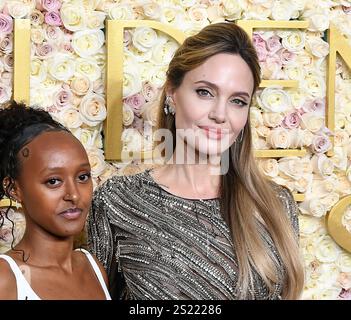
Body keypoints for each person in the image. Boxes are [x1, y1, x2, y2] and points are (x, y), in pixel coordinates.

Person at [88, 22, 304, 300]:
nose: (219, 114)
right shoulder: (117, 200)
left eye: (237, 101)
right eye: (205, 92)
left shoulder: (275, 204)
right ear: (172, 94)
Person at [0, 101, 111, 300]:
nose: (74, 195)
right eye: (53, 181)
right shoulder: (5, 279)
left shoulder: (94, 269)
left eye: (83, 177)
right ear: (14, 189)